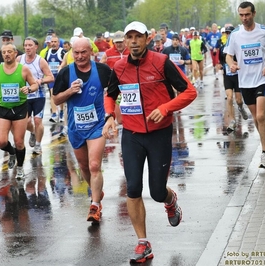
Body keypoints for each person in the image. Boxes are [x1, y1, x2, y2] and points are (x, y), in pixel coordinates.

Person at [102, 21, 197, 263]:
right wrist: (110, 117)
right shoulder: (119, 66)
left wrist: (165, 108)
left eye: (137, 37)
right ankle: (143, 243)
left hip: (159, 134)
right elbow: (111, 95)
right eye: (129, 37)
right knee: (133, 188)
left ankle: (170, 199)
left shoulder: (161, 62)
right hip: (132, 135)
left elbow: (189, 91)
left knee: (156, 192)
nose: (133, 41)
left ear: (147, 39)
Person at [52, 38, 111, 224]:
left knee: (94, 165)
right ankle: (96, 191)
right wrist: (69, 91)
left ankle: (94, 204)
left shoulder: (102, 70)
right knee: (84, 167)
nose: (79, 56)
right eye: (75, 53)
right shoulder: (65, 73)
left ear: (90, 52)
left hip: (97, 125)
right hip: (76, 128)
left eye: (83, 52)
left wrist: (111, 116)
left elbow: (114, 91)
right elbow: (56, 100)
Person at [224, 1, 265, 168]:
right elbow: (228, 55)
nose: (244, 18)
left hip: (263, 79)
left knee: (261, 116)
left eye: (247, 14)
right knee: (256, 119)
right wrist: (231, 64)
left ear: (254, 14)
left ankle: (264, 154)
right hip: (245, 81)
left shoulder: (264, 31)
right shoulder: (235, 34)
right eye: (241, 15)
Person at [0, 42, 38, 179]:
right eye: (4, 52)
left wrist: (29, 89)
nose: (6, 54)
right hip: (3, 109)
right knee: (1, 142)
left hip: (20, 108)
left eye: (9, 52)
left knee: (19, 142)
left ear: (15, 53)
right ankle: (12, 152)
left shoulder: (23, 69)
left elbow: (34, 84)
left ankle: (20, 168)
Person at [17, 37, 54, 155]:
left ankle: (38, 145)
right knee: (26, 121)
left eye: (30, 45)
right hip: (24, 96)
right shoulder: (19, 59)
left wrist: (40, 81)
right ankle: (33, 132)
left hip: (38, 95)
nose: (27, 48)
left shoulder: (40, 61)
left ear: (36, 47)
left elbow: (51, 77)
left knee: (37, 120)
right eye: (25, 45)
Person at [217, 26, 249, 131]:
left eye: (230, 33)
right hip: (228, 76)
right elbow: (221, 60)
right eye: (226, 33)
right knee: (229, 97)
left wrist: (237, 63)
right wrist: (223, 65)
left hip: (238, 77)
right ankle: (232, 121)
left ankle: (240, 107)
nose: (228, 35)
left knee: (239, 100)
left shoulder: (239, 46)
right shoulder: (222, 48)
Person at [100, 31, 130, 125]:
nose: (119, 44)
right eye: (117, 42)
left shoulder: (130, 51)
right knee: (118, 115)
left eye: (121, 42)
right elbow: (100, 66)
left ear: (125, 41)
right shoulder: (108, 53)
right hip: (115, 86)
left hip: (129, 85)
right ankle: (119, 126)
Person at [44, 36, 66, 123]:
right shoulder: (48, 52)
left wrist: (61, 68)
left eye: (55, 42)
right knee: (52, 94)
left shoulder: (62, 52)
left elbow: (66, 62)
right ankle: (54, 113)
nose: (53, 43)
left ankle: (61, 111)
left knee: (59, 96)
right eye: (52, 42)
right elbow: (45, 64)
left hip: (60, 77)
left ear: (58, 43)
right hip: (51, 77)